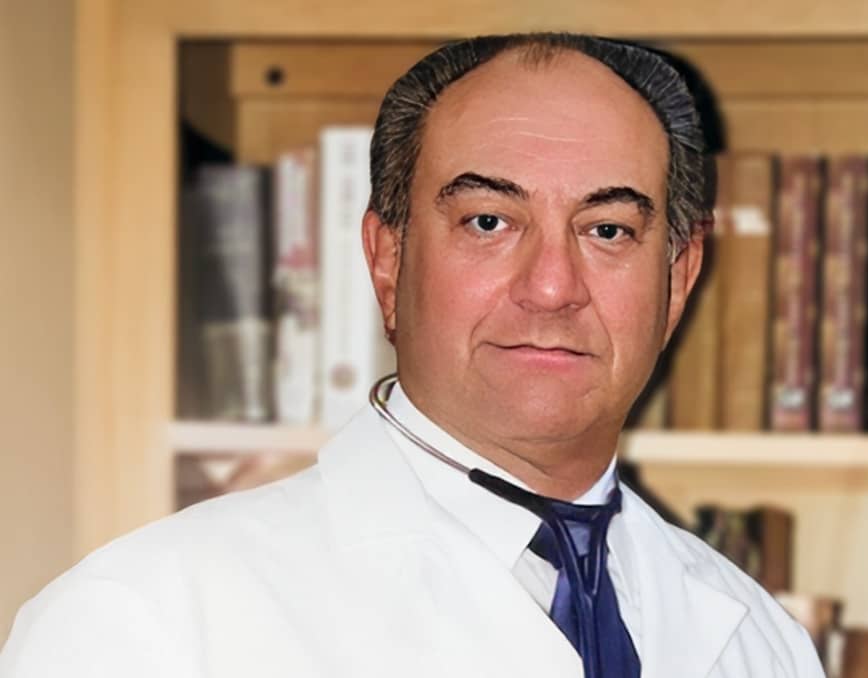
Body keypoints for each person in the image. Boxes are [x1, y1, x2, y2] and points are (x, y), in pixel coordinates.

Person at [0, 33, 824, 678]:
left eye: (607, 229)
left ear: (678, 278)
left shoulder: (766, 644)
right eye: (488, 222)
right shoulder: (140, 626)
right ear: (388, 260)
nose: (551, 287)